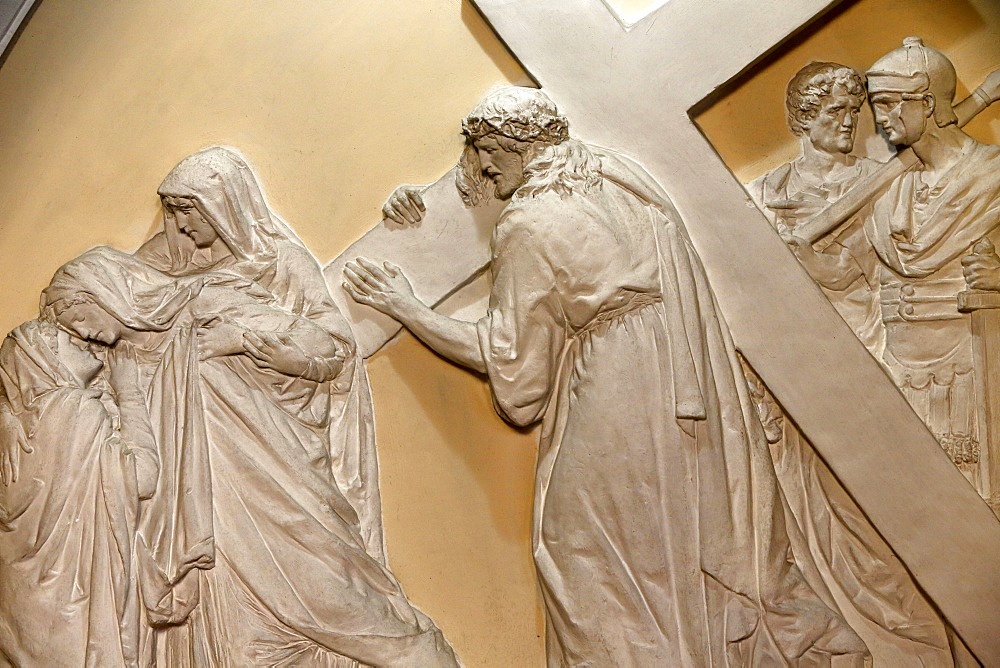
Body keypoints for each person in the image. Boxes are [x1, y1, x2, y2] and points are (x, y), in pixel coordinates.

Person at [346, 86, 867, 666]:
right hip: (680, 371)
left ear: (524, 146)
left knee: (579, 547)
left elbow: (514, 364)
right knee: (668, 540)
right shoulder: (619, 175)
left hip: (617, 387)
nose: (484, 164)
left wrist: (407, 308)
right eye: (477, 151)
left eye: (493, 148)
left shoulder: (526, 222)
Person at [42, 149, 459, 665]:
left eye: (190, 209)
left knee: (328, 584)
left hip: (273, 454)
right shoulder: (153, 269)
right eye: (174, 210)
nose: (182, 223)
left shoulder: (279, 261)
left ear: (224, 206)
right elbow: (97, 320)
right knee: (236, 623)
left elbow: (334, 346)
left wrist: (278, 355)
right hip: (195, 477)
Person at [741, 62, 967, 665]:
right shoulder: (765, 193)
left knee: (886, 512)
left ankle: (924, 635)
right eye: (832, 113)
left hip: (868, 355)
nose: (848, 122)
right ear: (802, 119)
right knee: (818, 510)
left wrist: (816, 267)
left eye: (854, 111)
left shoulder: (883, 179)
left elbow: (878, 267)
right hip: (795, 368)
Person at [862, 38, 1000, 506]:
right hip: (898, 373)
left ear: (926, 101)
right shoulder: (887, 187)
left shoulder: (993, 176)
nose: (879, 118)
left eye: (886, 103)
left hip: (976, 368)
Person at [0, 312, 157, 666]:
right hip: (75, 609)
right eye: (69, 341)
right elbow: (142, 479)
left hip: (20, 608)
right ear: (46, 358)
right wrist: (129, 392)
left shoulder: (16, 425)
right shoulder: (76, 411)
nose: (86, 343)